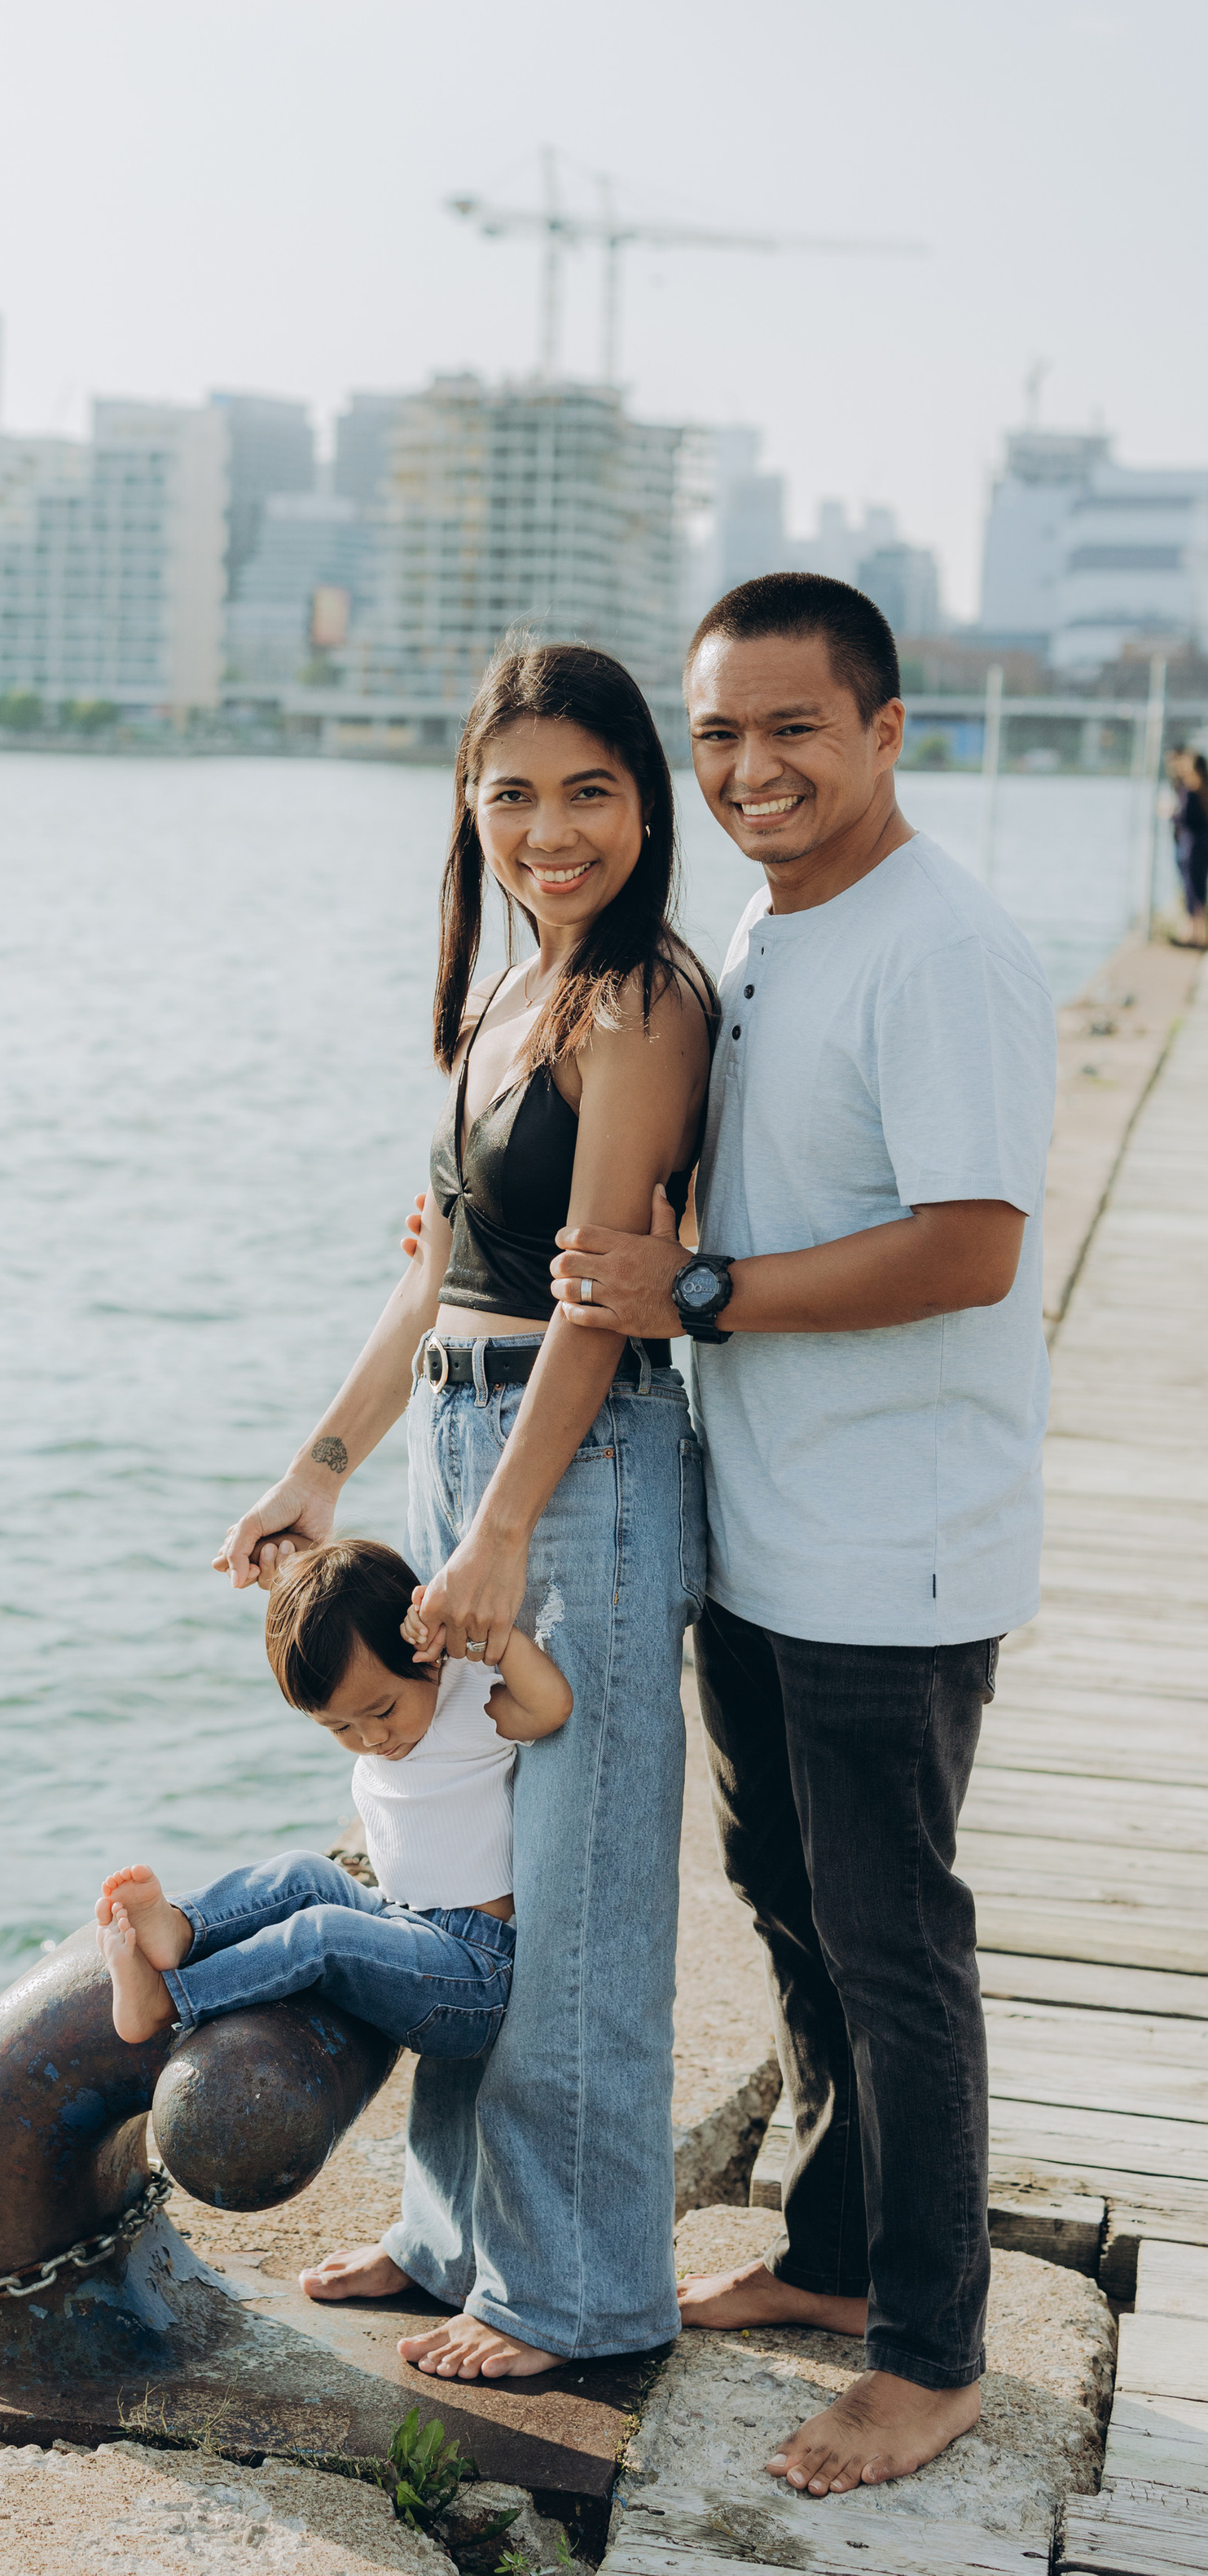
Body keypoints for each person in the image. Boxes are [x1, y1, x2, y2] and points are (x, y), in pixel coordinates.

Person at [547, 572, 1056, 2499]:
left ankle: (929, 2351)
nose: (751, 767)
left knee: (889, 1937)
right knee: (787, 1901)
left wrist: (691, 1296)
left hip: (893, 1546)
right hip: (763, 1530)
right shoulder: (774, 923)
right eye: (721, 735)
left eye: (793, 729)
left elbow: (965, 1242)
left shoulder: (942, 947)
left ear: (884, 731)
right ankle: (839, 2259)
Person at [217, 640, 716, 2384]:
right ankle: (451, 2242)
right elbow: (437, 1278)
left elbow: (587, 1298)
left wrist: (499, 1529)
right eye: (511, 794)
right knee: (460, 1878)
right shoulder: (510, 995)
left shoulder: (640, 997)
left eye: (586, 790)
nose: (548, 828)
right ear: (468, 807)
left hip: (572, 1474)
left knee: (571, 1905)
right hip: (462, 1448)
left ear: (645, 803)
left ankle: (577, 2298)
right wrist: (320, 1467)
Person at [94, 1538, 570, 2048]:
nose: (371, 1739)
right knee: (303, 1872)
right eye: (339, 1727)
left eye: (384, 1711)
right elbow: (329, 1627)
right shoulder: (378, 1715)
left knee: (320, 1936)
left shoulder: (468, 1699)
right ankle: (184, 1928)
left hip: (472, 1973)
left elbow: (550, 1707)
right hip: (399, 1921)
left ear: (427, 1660)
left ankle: (169, 2002)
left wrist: (468, 1630)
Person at [1168, 748, 1208, 947]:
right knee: (1199, 890)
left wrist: (1170, 811)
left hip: (1191, 847)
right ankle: (1197, 935)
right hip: (1202, 845)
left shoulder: (1190, 793)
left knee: (1192, 890)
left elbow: (1182, 818)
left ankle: (1193, 936)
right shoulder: (1203, 790)